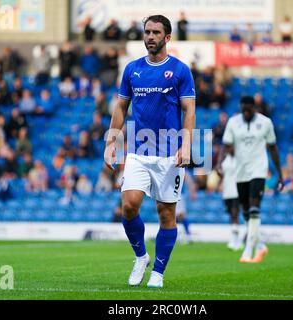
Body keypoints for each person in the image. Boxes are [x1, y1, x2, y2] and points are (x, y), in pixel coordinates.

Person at [103, 15, 196, 289]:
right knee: (129, 205)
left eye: (156, 32)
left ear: (167, 37)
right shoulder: (132, 70)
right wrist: (111, 142)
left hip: (169, 154)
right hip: (139, 152)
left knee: (166, 214)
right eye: (147, 32)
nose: (150, 36)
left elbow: (189, 109)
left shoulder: (180, 70)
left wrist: (187, 144)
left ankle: (158, 272)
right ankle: (141, 256)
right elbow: (121, 108)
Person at [217, 96, 283, 263]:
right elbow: (225, 145)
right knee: (246, 211)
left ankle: (248, 251)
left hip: (258, 170)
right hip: (241, 171)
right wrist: (219, 164)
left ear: (255, 108)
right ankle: (260, 245)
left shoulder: (266, 122)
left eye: (249, 109)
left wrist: (280, 173)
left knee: (254, 208)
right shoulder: (233, 122)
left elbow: (273, 147)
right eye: (243, 109)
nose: (246, 112)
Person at [219, 152, 242, 251]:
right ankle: (235, 238)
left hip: (236, 191)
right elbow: (222, 173)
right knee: (231, 215)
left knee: (235, 214)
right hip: (227, 191)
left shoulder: (239, 157)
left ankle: (235, 240)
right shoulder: (225, 158)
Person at [175, 172, 197, 245]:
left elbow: (189, 180)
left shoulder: (182, 168)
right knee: (172, 216)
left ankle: (188, 234)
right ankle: (185, 234)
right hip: (169, 194)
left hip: (179, 195)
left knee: (181, 215)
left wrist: (192, 192)